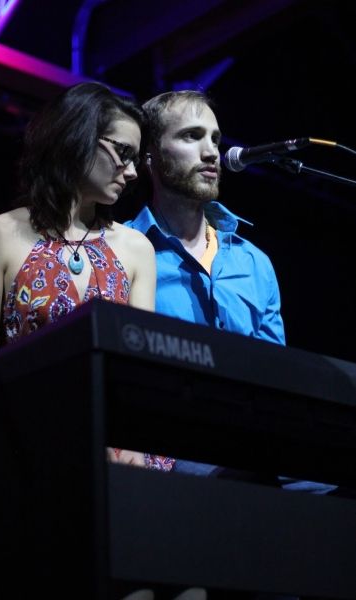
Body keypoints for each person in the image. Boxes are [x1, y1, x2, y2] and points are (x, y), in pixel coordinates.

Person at [0, 82, 175, 486]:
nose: (131, 173)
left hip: (116, 444)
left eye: (136, 159)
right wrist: (65, 422)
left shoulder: (135, 247)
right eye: (123, 153)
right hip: (27, 438)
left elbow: (137, 365)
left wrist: (122, 436)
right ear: (77, 136)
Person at [126, 90, 336, 495]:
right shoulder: (124, 251)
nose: (211, 153)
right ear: (149, 156)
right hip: (171, 447)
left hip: (255, 443)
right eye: (191, 136)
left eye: (215, 139)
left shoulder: (254, 261)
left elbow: (276, 376)